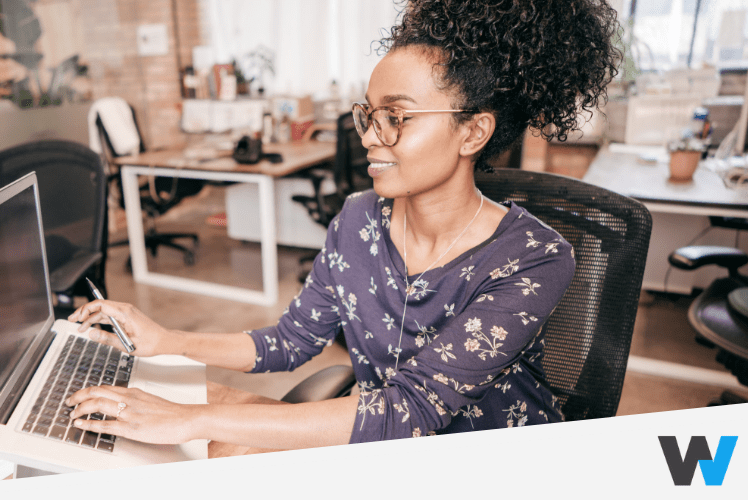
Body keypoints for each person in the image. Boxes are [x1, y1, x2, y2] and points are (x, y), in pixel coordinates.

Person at [65, 0, 620, 447]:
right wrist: (167, 340)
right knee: (201, 413)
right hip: (379, 433)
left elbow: (411, 409)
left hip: (487, 458)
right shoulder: (358, 219)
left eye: (396, 118)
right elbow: (290, 341)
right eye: (369, 115)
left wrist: (188, 420)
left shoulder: (535, 255)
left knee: (203, 426)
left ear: (472, 133)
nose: (371, 135)